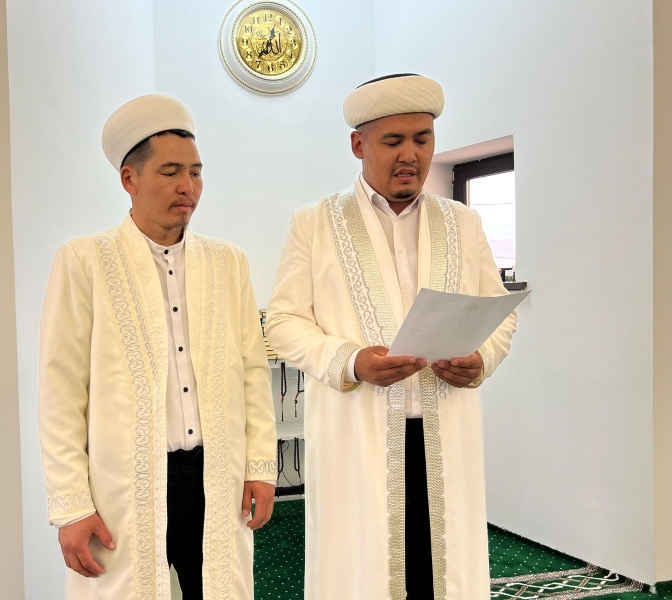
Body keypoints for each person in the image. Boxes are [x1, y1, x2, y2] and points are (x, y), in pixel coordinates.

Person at [265, 74, 517, 600]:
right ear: (358, 145)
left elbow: (498, 314)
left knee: (442, 571)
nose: (410, 155)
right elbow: (283, 323)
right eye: (393, 141)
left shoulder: (463, 222)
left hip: (446, 430)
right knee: (363, 571)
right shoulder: (314, 223)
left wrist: (482, 358)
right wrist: (351, 361)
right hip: (357, 435)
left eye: (422, 139)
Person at [39, 93, 277, 600]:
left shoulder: (227, 261)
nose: (187, 186)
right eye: (170, 172)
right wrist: (71, 505)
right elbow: (61, 391)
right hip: (125, 482)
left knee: (219, 588)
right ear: (129, 178)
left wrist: (259, 464)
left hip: (216, 472)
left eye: (196, 172)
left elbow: (253, 371)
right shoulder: (85, 261)